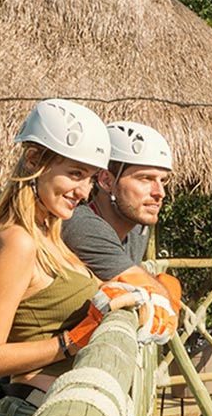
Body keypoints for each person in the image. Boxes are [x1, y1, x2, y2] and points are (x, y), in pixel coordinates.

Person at [0, 97, 124, 416]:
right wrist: (71, 341)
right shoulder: (18, 242)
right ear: (35, 160)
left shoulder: (51, 236)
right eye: (74, 174)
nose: (84, 191)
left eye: (90, 178)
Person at [62, 120, 173, 295]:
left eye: (163, 181)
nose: (160, 193)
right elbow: (155, 295)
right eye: (145, 178)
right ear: (107, 180)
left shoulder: (137, 230)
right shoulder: (80, 225)